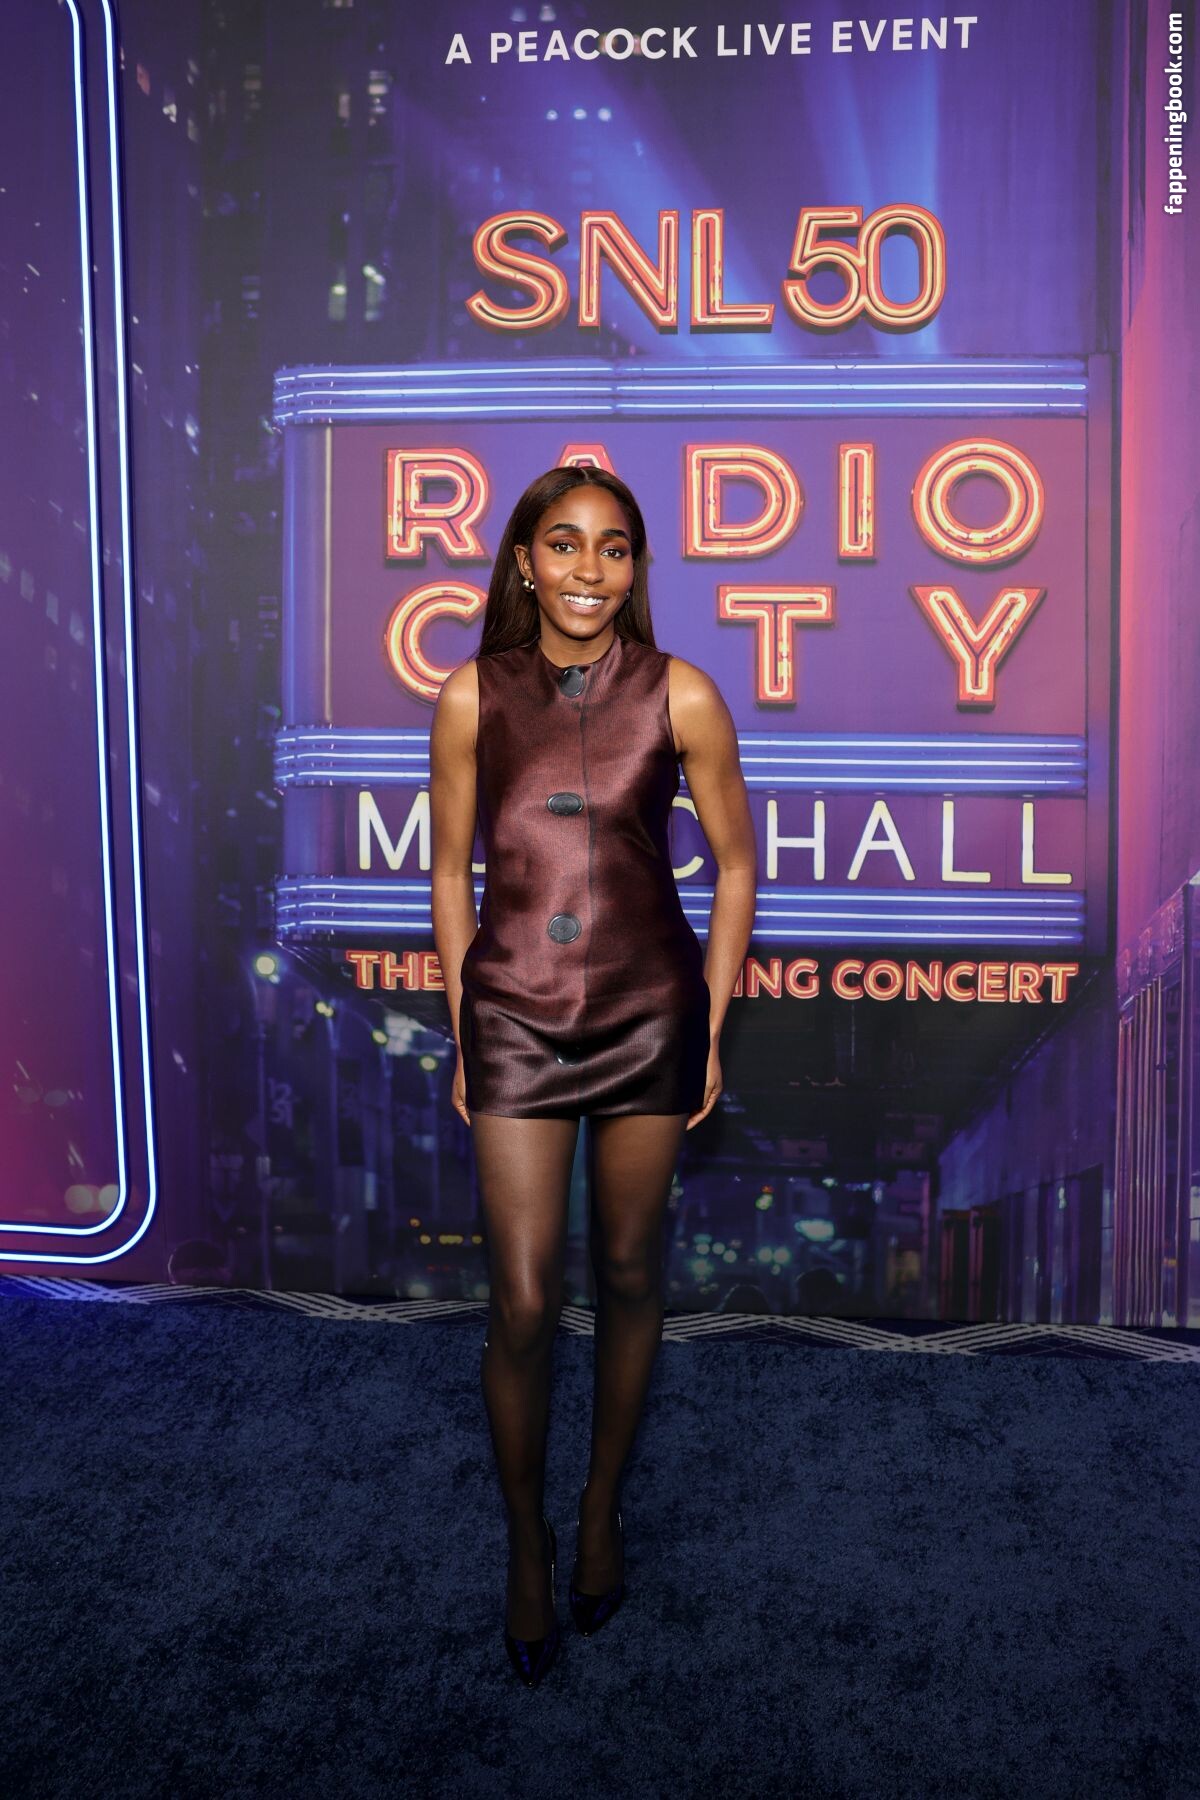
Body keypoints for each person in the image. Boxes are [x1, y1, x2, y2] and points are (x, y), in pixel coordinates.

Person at [430, 465, 756, 1687]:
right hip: (514, 1014)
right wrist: (468, 1025)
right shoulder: (471, 695)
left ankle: (600, 1507)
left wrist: (708, 1023)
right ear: (525, 561)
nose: (588, 569)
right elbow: (449, 872)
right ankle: (527, 1543)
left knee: (627, 1274)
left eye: (613, 548)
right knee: (522, 1304)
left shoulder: (685, 693)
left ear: (635, 568)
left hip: (648, 1014)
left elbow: (736, 864)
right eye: (563, 544)